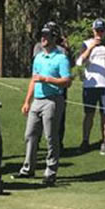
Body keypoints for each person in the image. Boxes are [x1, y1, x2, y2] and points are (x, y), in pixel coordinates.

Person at [16, 25, 72, 186]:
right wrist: (27, 101)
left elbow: (67, 81)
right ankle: (28, 169)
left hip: (53, 100)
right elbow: (33, 80)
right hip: (37, 101)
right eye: (42, 36)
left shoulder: (61, 58)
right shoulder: (39, 57)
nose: (43, 39)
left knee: (50, 137)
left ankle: (50, 172)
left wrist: (47, 79)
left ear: (54, 38)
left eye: (47, 36)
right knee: (30, 135)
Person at [77, 18, 105, 155]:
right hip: (91, 85)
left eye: (102, 30)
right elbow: (79, 61)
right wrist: (92, 47)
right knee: (89, 114)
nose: (99, 33)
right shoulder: (86, 44)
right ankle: (85, 141)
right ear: (93, 30)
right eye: (97, 30)